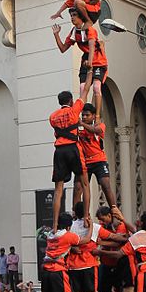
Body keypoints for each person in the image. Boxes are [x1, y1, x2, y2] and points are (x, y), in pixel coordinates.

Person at [52, 8, 108, 118]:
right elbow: (63, 48)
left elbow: (92, 47)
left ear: (81, 17)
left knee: (96, 87)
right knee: (82, 88)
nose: (72, 18)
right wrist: (56, 34)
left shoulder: (90, 30)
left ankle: (97, 116)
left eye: (74, 15)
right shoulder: (74, 31)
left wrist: (90, 63)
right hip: (86, 59)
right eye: (71, 15)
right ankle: (81, 114)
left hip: (98, 59)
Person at [49, 90, 90, 233]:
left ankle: (54, 225)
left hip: (59, 151)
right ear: (71, 101)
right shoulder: (74, 110)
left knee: (58, 190)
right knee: (85, 184)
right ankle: (85, 217)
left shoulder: (52, 117)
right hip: (73, 149)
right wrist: (89, 72)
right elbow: (85, 92)